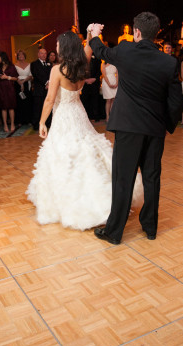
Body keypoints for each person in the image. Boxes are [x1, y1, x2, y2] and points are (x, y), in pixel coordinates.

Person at [26, 31, 142, 231]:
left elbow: (49, 100)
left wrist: (42, 122)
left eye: (57, 45)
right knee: (85, 150)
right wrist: (91, 34)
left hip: (63, 115)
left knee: (63, 154)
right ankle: (101, 195)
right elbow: (89, 48)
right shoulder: (82, 65)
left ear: (64, 47)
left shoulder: (57, 70)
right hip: (79, 113)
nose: (55, 48)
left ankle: (68, 200)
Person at [90, 12, 183, 244]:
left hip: (128, 127)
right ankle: (150, 228)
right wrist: (167, 126)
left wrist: (94, 34)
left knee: (123, 179)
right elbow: (175, 101)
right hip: (154, 129)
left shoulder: (125, 50)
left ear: (137, 32)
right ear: (155, 34)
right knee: (152, 178)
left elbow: (101, 51)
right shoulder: (169, 62)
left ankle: (114, 232)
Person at [0, 52, 18, 132]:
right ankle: (5, 124)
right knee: (3, 107)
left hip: (10, 87)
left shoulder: (11, 66)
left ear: (3, 57)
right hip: (1, 88)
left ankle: (12, 124)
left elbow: (16, 78)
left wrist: (7, 77)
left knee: (11, 107)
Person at [30, 48, 52, 130]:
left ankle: (48, 123)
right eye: (42, 53)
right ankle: (36, 125)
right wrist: (46, 83)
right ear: (38, 54)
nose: (44, 55)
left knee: (48, 107)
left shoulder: (49, 64)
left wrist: (49, 83)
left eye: (45, 53)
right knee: (38, 108)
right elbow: (37, 75)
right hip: (38, 90)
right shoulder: (34, 64)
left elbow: (51, 75)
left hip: (48, 90)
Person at [15, 49, 33, 126]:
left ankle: (28, 120)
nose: (21, 56)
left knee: (27, 102)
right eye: (19, 55)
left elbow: (30, 75)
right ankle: (20, 121)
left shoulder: (29, 64)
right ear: (17, 57)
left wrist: (24, 81)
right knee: (19, 102)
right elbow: (14, 75)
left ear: (24, 56)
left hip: (27, 84)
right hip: (18, 84)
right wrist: (20, 83)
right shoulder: (15, 65)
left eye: (22, 55)